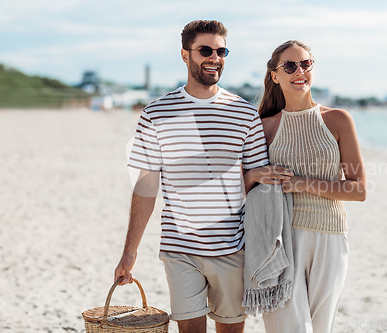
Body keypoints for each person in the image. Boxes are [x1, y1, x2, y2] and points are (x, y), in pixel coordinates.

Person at [114, 20, 270, 333]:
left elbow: (258, 181)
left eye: (221, 51)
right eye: (205, 50)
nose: (215, 57)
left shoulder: (245, 113)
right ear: (186, 55)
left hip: (232, 247)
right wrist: (129, 253)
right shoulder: (156, 113)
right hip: (179, 247)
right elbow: (146, 186)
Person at [244, 40, 367, 333]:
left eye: (305, 64)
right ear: (275, 75)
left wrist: (301, 183)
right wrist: (255, 176)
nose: (299, 71)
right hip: (281, 236)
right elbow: (242, 183)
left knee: (321, 328)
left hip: (330, 236)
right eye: (289, 65)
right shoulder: (263, 126)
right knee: (287, 328)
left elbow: (358, 189)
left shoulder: (337, 120)